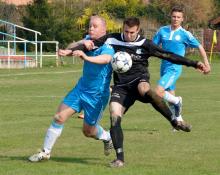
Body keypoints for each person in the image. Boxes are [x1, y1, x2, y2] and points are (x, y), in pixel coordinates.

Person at [69, 17, 206, 168]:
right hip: (121, 87)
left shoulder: (145, 44)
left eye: (132, 32)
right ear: (123, 29)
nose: (128, 35)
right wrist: (74, 49)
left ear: (138, 30)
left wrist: (194, 63)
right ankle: (119, 159)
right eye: (126, 31)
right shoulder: (112, 39)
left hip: (139, 81)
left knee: (145, 89)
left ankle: (173, 120)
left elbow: (168, 55)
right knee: (114, 115)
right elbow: (90, 45)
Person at [28, 15, 115, 162]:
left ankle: (107, 137)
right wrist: (82, 42)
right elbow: (70, 47)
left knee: (88, 131)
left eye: (95, 26)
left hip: (97, 96)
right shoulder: (88, 40)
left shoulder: (109, 46)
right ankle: (45, 152)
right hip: (80, 89)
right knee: (59, 117)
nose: (91, 28)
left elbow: (105, 59)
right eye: (89, 26)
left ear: (104, 29)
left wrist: (85, 57)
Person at [152, 5, 211, 125]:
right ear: (170, 17)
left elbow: (199, 46)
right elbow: (152, 46)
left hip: (175, 68)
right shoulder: (162, 30)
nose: (175, 19)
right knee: (169, 94)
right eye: (173, 16)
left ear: (182, 19)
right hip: (164, 66)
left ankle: (178, 101)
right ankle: (178, 120)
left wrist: (206, 63)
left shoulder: (185, 34)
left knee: (158, 92)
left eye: (178, 17)